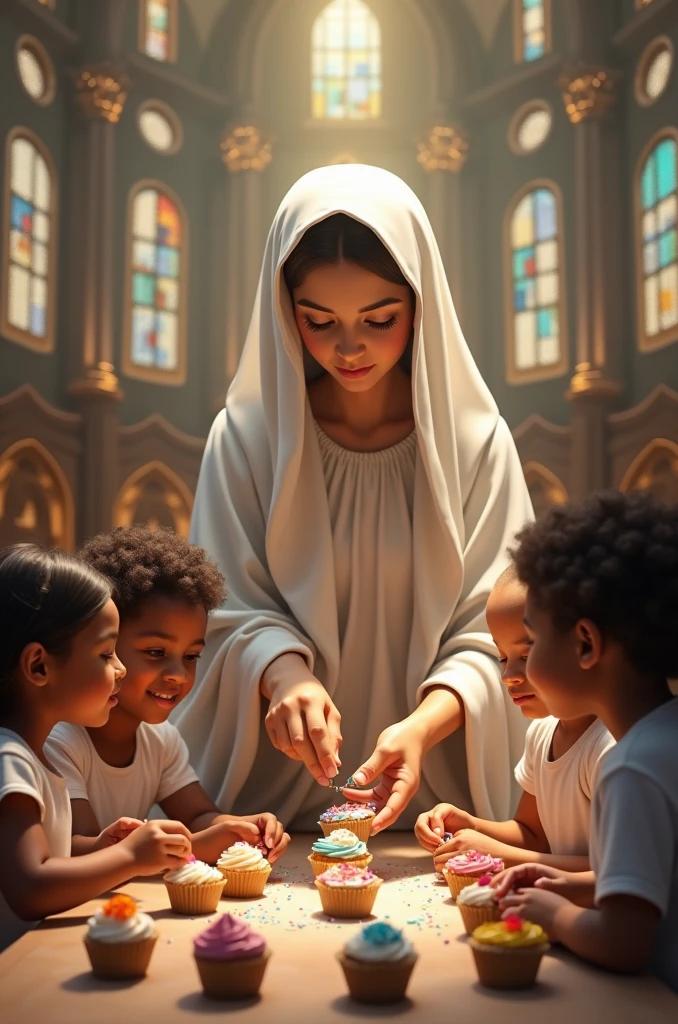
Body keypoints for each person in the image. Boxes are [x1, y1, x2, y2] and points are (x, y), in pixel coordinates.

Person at [174, 164, 533, 834]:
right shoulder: (247, 441)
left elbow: (499, 628)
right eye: (318, 321)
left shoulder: (476, 445)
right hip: (273, 806)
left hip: (441, 808)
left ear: (420, 304)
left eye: (379, 318)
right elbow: (223, 614)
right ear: (287, 314)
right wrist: (284, 677)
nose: (349, 347)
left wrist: (423, 729)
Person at [492, 491, 678, 1002]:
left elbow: (625, 942)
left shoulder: (631, 769)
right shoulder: (672, 737)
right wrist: (571, 887)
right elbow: (652, 889)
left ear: (585, 644)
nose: (520, 671)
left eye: (532, 642)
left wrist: (551, 914)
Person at [46, 526, 290, 864]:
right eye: (156, 652)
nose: (178, 675)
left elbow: (199, 817)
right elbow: (80, 847)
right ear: (105, 645)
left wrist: (238, 829)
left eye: (191, 657)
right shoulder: (61, 740)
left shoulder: (160, 740)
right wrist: (192, 845)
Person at [0, 544, 192, 951]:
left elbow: (52, 859)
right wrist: (130, 858)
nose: (120, 669)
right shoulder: (9, 759)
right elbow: (30, 887)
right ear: (39, 666)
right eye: (107, 654)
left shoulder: (36, 758)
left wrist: (105, 847)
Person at [415, 564, 614, 870]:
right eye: (502, 657)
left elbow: (617, 873)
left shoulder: (611, 749)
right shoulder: (542, 734)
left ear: (587, 644)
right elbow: (532, 834)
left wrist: (500, 856)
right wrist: (469, 825)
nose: (508, 676)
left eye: (526, 656)